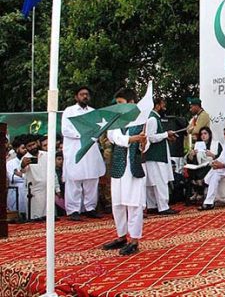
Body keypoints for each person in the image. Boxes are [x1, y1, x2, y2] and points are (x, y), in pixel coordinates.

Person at [102, 88, 149, 256]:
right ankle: (121, 236)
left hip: (134, 167)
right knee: (118, 204)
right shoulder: (115, 121)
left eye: (120, 103)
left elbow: (146, 144)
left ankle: (134, 240)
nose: (118, 107)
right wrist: (133, 139)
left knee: (134, 204)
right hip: (119, 166)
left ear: (131, 103)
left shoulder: (143, 119)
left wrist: (143, 143)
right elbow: (115, 138)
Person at [61, 86, 106, 221]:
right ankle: (73, 210)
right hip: (75, 149)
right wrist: (83, 134)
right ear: (76, 97)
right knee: (74, 180)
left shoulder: (93, 112)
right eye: (82, 94)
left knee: (91, 179)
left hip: (91, 150)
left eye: (87, 94)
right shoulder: (69, 111)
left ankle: (90, 208)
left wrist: (91, 134)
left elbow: (98, 129)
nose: (85, 96)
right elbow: (66, 130)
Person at [144, 97, 178, 215]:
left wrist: (166, 136)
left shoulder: (152, 118)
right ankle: (163, 206)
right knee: (160, 181)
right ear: (157, 105)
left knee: (152, 181)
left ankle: (152, 205)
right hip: (156, 156)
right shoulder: (153, 119)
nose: (164, 107)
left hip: (154, 155)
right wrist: (166, 134)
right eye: (163, 104)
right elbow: (151, 137)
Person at [185, 126, 222, 203]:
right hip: (199, 166)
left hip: (212, 166)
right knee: (191, 169)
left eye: (205, 133)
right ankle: (197, 191)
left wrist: (213, 155)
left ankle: (199, 192)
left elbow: (221, 157)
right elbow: (192, 160)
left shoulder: (216, 144)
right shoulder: (197, 145)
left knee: (203, 170)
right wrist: (191, 155)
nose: (203, 136)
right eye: (201, 134)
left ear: (209, 134)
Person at [6, 135, 28, 218]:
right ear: (16, 149)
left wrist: (21, 175)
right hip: (16, 193)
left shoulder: (31, 161)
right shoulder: (10, 163)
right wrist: (25, 177)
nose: (25, 150)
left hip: (28, 192)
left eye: (26, 147)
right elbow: (13, 178)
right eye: (23, 148)